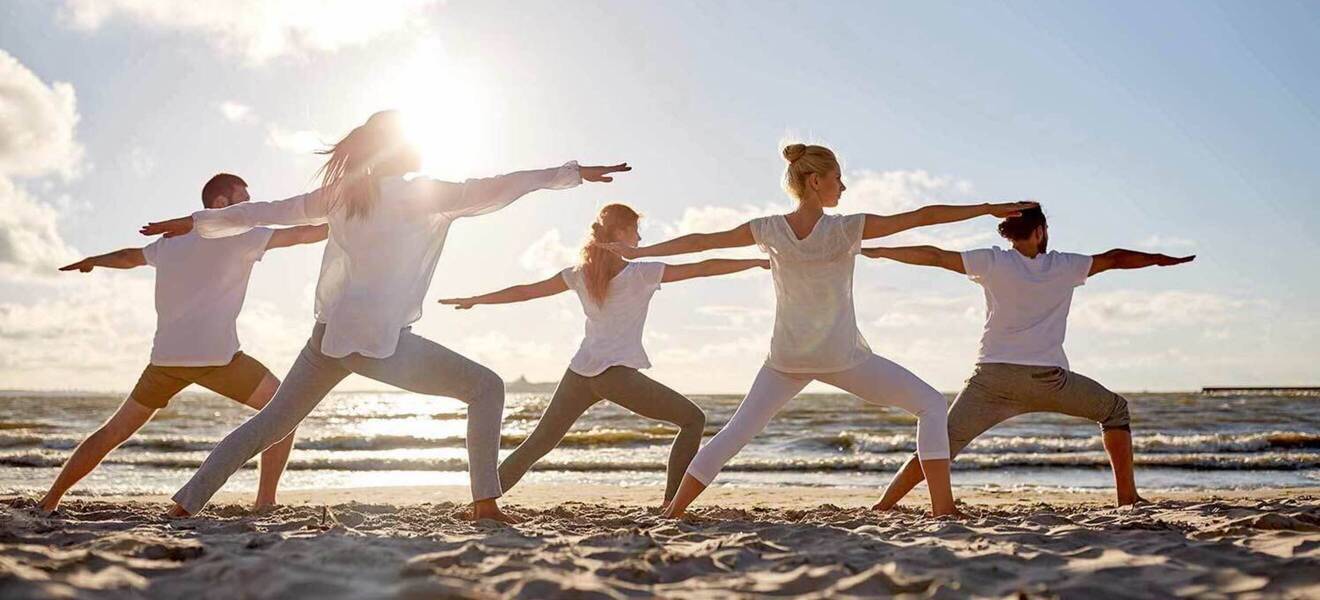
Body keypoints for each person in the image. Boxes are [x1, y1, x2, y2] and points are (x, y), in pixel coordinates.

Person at [140, 110, 630, 522]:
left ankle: (184, 505)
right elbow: (501, 186)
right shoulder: (422, 194)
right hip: (378, 342)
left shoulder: (344, 194)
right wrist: (569, 174)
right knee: (486, 388)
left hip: (328, 337)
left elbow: (264, 211)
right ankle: (485, 505)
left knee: (270, 424)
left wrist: (196, 222)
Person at [602, 143, 1036, 517]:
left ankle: (675, 512)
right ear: (815, 182)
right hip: (840, 356)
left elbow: (700, 241)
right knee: (930, 404)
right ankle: (943, 509)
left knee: (734, 433)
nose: (842, 187)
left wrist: (640, 252)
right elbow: (922, 216)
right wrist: (985, 209)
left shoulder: (768, 229)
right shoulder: (846, 228)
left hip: (786, 358)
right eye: (837, 179)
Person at [865, 206, 1195, 510]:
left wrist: (880, 251)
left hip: (992, 380)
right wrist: (1158, 259)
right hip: (1048, 381)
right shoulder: (1065, 266)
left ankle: (884, 505)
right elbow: (1115, 258)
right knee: (1115, 411)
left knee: (940, 444)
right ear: (1039, 231)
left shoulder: (992, 261)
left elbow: (935, 256)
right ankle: (1127, 497)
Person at [440, 203, 768, 504]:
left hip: (580, 373)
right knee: (693, 420)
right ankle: (671, 506)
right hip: (615, 375)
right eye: (636, 230)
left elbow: (526, 292)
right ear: (621, 232)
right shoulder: (641, 273)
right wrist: (755, 262)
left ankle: (480, 504)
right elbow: (703, 268)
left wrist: (476, 300)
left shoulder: (578, 274)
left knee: (536, 444)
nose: (640, 238)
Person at [39, 173, 328, 513]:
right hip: (218, 361)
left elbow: (129, 257)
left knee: (114, 431)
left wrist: (93, 261)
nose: (250, 208)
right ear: (220, 203)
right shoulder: (243, 236)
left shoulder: (171, 242)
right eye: (244, 200)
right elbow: (304, 234)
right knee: (285, 412)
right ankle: (265, 501)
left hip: (166, 362)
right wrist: (354, 220)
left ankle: (49, 501)